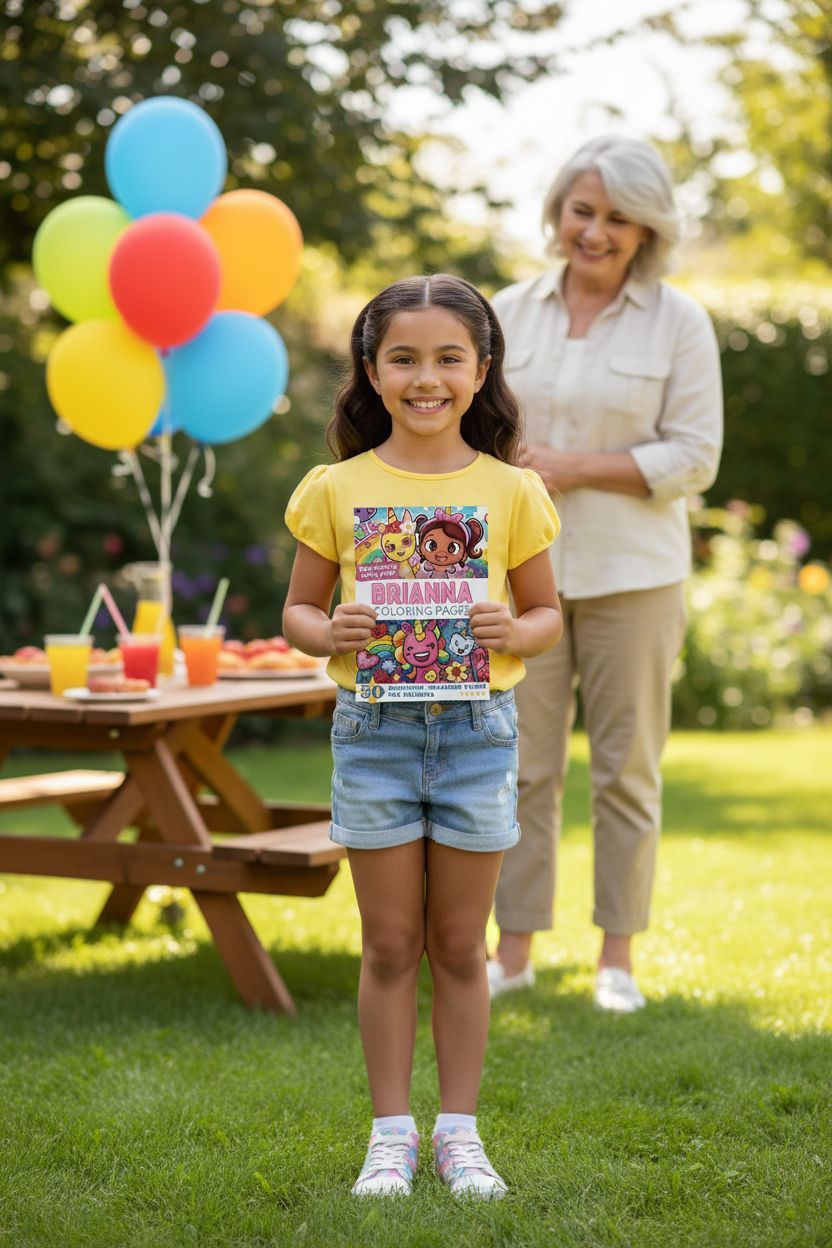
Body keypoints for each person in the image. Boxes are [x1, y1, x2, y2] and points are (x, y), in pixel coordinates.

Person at [282, 274, 563, 1199]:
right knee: (390, 944)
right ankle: (390, 1135)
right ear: (372, 369)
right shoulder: (338, 487)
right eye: (404, 358)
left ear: (483, 372)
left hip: (479, 731)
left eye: (449, 358)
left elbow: (546, 614)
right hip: (375, 734)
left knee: (458, 944)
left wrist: (515, 635)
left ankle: (460, 1133)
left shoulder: (511, 491)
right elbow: (297, 610)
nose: (426, 377)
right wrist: (330, 633)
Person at [487, 136, 723, 1013]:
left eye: (618, 217)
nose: (596, 231)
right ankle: (512, 955)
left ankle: (615, 960)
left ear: (646, 229)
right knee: (520, 769)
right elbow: (476, 430)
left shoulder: (679, 321)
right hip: (524, 579)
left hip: (635, 576)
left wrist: (574, 466)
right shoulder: (508, 309)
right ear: (558, 211)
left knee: (627, 770)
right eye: (584, 210)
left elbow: (696, 457)